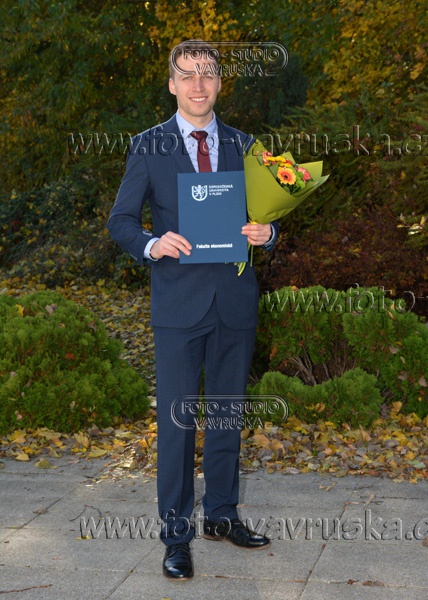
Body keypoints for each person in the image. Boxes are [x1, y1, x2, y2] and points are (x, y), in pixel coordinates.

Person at [108, 40, 280, 580]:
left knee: (227, 414)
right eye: (187, 75)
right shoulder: (148, 145)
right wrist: (151, 243)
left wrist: (269, 231)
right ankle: (176, 537)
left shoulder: (245, 145)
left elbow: (268, 213)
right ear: (172, 84)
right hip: (178, 305)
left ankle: (223, 515)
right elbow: (120, 220)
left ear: (220, 82)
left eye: (207, 74)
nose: (198, 85)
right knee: (178, 426)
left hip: (234, 301)